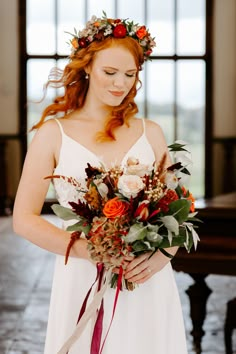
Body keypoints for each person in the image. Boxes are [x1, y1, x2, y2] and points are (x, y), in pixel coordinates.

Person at [13, 13, 188, 354]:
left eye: (130, 74)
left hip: (146, 278)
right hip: (83, 277)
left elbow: (179, 212)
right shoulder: (53, 134)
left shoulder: (150, 132)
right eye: (110, 72)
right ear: (88, 66)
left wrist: (163, 255)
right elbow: (23, 219)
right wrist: (91, 250)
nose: (120, 84)